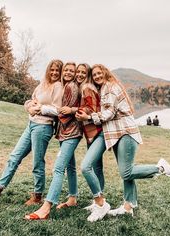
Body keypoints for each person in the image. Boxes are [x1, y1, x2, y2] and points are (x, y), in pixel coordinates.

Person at [76, 64, 170, 222]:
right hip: (117, 134)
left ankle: (161, 167)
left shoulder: (110, 87)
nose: (96, 76)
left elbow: (109, 114)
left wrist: (88, 118)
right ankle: (128, 206)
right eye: (94, 74)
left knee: (126, 171)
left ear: (105, 73)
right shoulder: (104, 88)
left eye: (99, 73)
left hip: (125, 133)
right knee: (127, 172)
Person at [0, 59, 63, 205]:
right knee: (14, 157)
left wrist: (40, 107)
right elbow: (30, 101)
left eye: (57, 70)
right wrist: (30, 107)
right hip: (31, 124)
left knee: (37, 162)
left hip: (43, 127)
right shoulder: (43, 84)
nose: (54, 72)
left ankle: (37, 196)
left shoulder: (58, 86)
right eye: (52, 69)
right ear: (48, 70)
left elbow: (57, 109)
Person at [25, 62, 83, 220]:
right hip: (64, 132)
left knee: (58, 169)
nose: (69, 72)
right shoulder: (65, 86)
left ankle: (46, 207)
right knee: (70, 167)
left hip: (72, 132)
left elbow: (77, 108)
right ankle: (72, 198)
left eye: (72, 70)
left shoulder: (72, 86)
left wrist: (69, 110)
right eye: (67, 70)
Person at [56, 63, 105, 209]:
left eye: (83, 72)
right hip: (90, 132)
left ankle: (99, 200)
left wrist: (72, 110)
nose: (80, 74)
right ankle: (94, 199)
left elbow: (92, 109)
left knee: (92, 166)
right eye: (78, 72)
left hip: (96, 130)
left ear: (88, 74)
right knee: (97, 166)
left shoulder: (86, 87)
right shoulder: (80, 88)